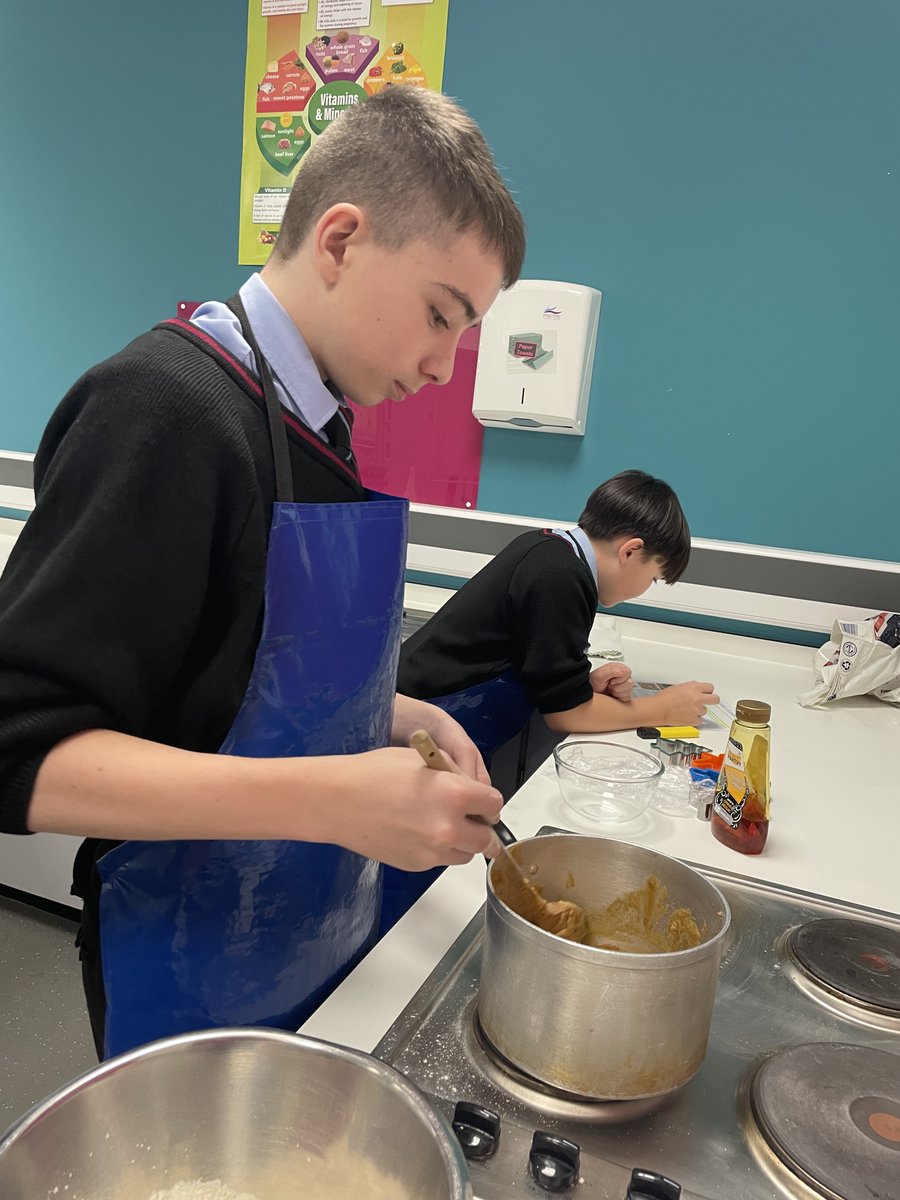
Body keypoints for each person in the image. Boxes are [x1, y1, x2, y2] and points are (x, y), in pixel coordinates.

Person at [0, 88, 525, 1060]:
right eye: (442, 316)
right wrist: (332, 798)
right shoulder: (165, 410)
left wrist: (402, 715)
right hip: (185, 953)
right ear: (338, 241)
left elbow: (236, 655)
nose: (447, 367)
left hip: (303, 934)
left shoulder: (314, 422)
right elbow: (16, 751)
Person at [398, 470, 719, 762]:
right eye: (653, 578)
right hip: (412, 724)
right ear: (631, 552)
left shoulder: (550, 549)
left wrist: (581, 685)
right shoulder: (562, 576)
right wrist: (662, 708)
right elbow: (565, 713)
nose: (646, 589)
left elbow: (540, 671)